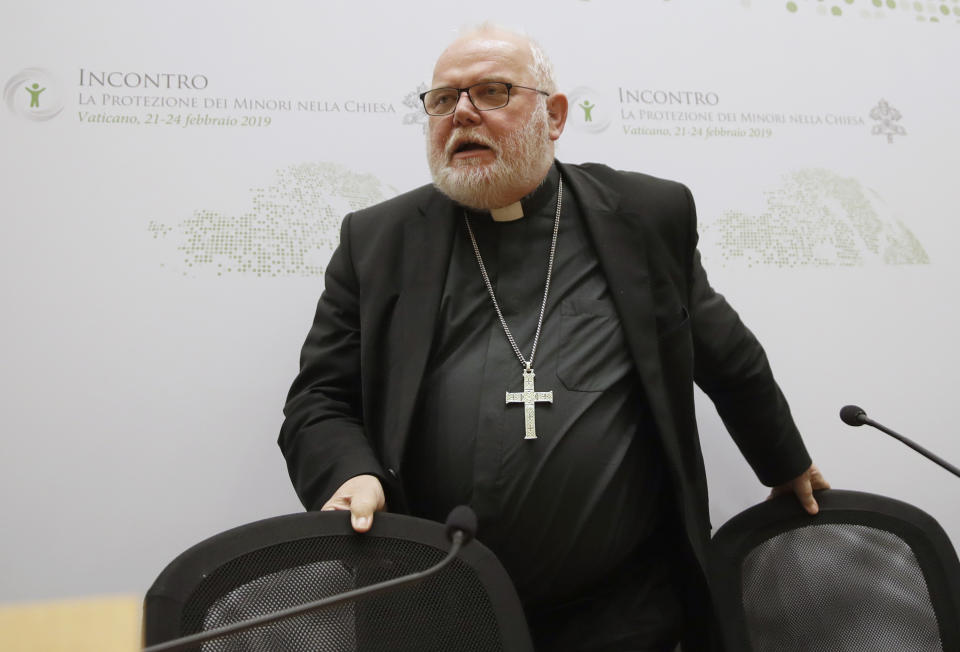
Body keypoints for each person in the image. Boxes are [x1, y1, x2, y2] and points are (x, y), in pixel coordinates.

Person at [279, 24, 829, 651]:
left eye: (492, 91)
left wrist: (786, 461)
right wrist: (348, 473)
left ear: (556, 114)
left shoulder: (646, 215)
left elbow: (723, 350)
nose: (462, 113)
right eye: (442, 99)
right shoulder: (376, 241)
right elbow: (319, 398)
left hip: (623, 608)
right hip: (432, 601)